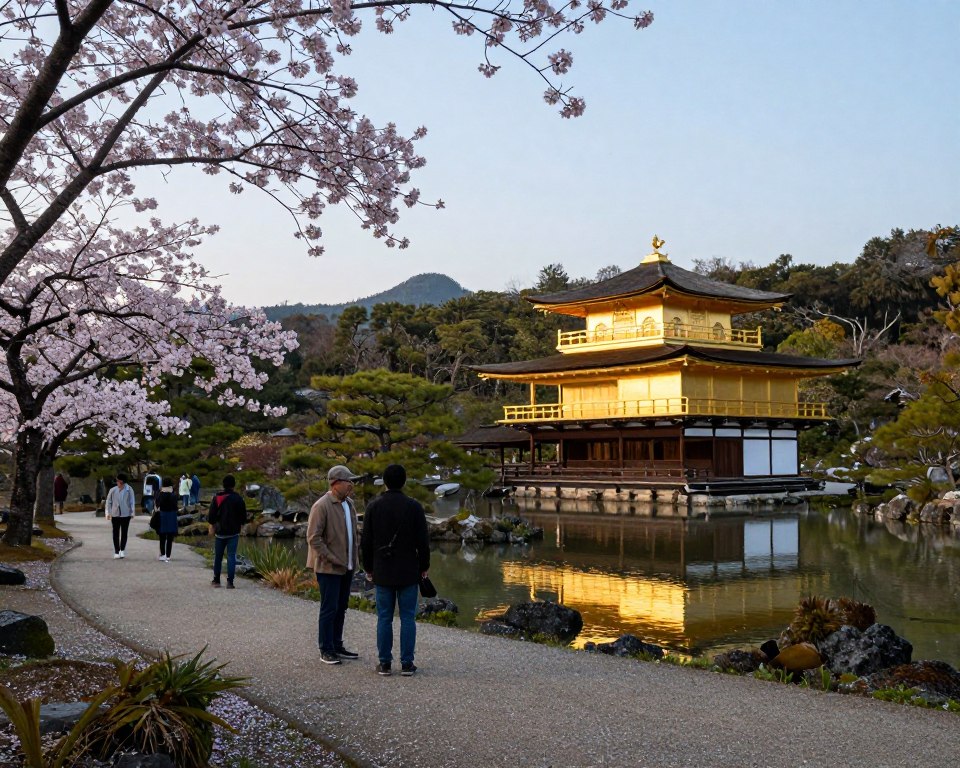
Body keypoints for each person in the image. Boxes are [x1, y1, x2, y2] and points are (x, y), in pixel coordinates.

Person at [360, 464, 430, 677]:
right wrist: (424, 566)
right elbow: (423, 542)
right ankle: (407, 663)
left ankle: (385, 663)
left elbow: (366, 542)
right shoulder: (413, 507)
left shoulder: (374, 506)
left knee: (384, 617)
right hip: (409, 569)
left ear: (385, 481)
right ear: (404, 481)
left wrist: (368, 568)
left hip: (383, 569)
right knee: (408, 617)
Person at [307, 464, 363, 665]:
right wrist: (332, 557)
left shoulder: (349, 504)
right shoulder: (321, 506)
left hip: (347, 567)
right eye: (348, 481)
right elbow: (313, 538)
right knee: (329, 608)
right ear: (336, 483)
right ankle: (326, 648)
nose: (351, 485)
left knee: (342, 607)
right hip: (329, 567)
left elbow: (354, 534)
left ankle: (337, 645)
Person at [207, 475, 247, 588]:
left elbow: (211, 517)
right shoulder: (238, 498)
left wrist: (214, 525)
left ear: (223, 485)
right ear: (234, 485)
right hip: (234, 532)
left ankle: (216, 580)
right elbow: (243, 517)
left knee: (218, 557)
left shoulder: (217, 498)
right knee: (231, 556)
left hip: (220, 532)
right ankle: (230, 582)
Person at [105, 473, 136, 559]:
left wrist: (132, 512)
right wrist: (108, 513)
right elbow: (108, 501)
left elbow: (132, 501)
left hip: (126, 514)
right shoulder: (113, 490)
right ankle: (116, 551)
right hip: (115, 514)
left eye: (118, 480)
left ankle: (122, 550)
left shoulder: (129, 489)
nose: (117, 482)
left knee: (124, 532)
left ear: (121, 481)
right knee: (115, 533)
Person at [155, 477, 179, 562]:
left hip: (162, 515)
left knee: (162, 537)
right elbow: (176, 506)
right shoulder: (174, 494)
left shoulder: (159, 493)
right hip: (172, 516)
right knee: (170, 537)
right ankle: (168, 555)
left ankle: (163, 554)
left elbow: (157, 504)